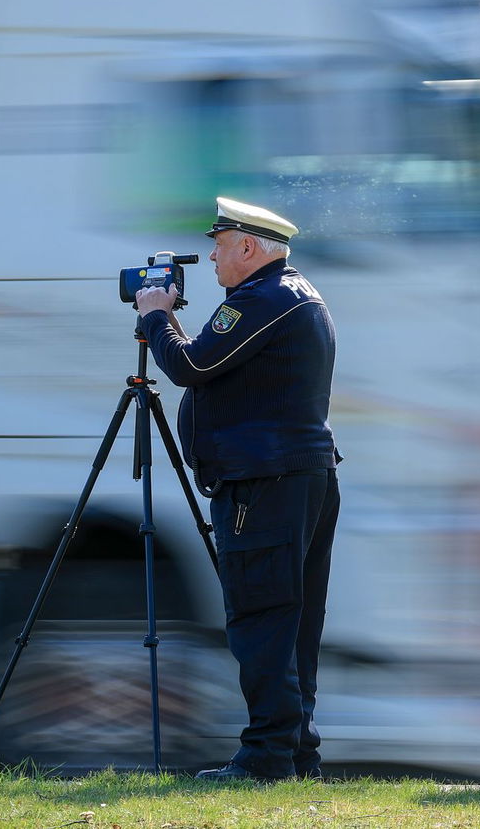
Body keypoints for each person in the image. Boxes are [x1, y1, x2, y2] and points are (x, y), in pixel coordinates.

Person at [134, 196, 339, 782]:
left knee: (261, 618)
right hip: (294, 478)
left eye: (219, 246)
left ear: (248, 247)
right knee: (293, 620)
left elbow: (192, 366)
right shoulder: (291, 294)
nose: (212, 257)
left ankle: (268, 754)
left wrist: (156, 315)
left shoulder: (265, 298)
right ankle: (295, 749)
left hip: (264, 484)